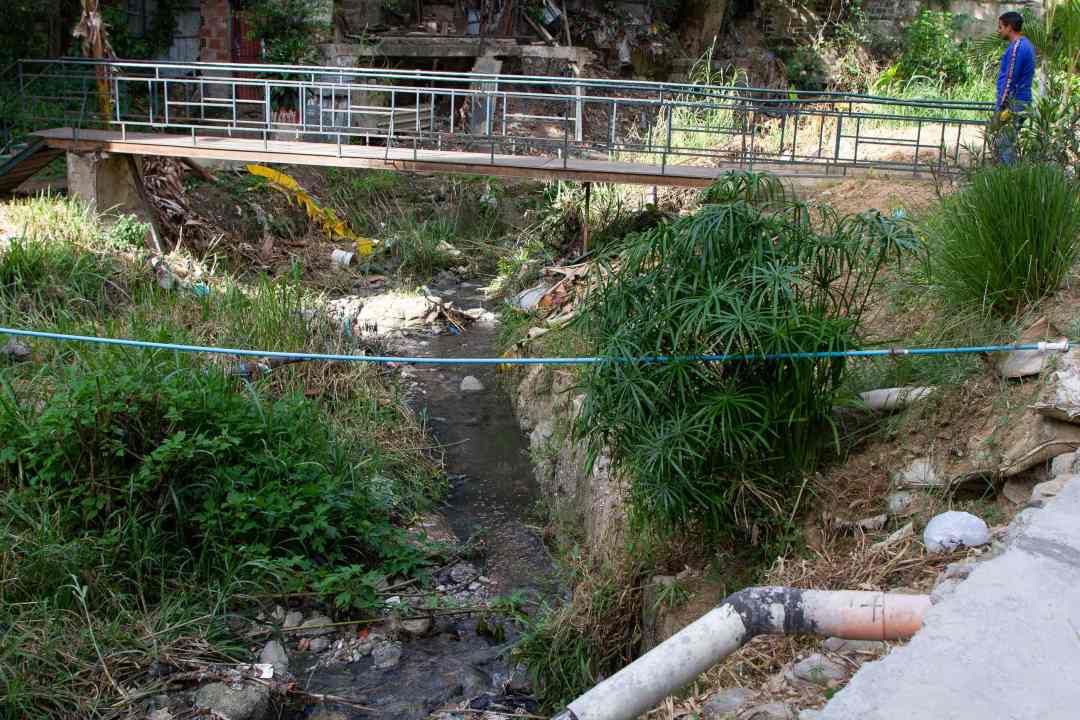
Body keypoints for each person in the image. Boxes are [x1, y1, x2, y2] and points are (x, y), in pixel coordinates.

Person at [993, 11, 1036, 165]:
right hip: (1020, 101)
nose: (998, 30)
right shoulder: (1026, 45)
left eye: (1000, 27)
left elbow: (1010, 78)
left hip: (1014, 103)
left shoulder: (1017, 48)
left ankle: (1007, 181)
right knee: (1006, 144)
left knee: (1005, 146)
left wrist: (1001, 105)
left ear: (1009, 27)